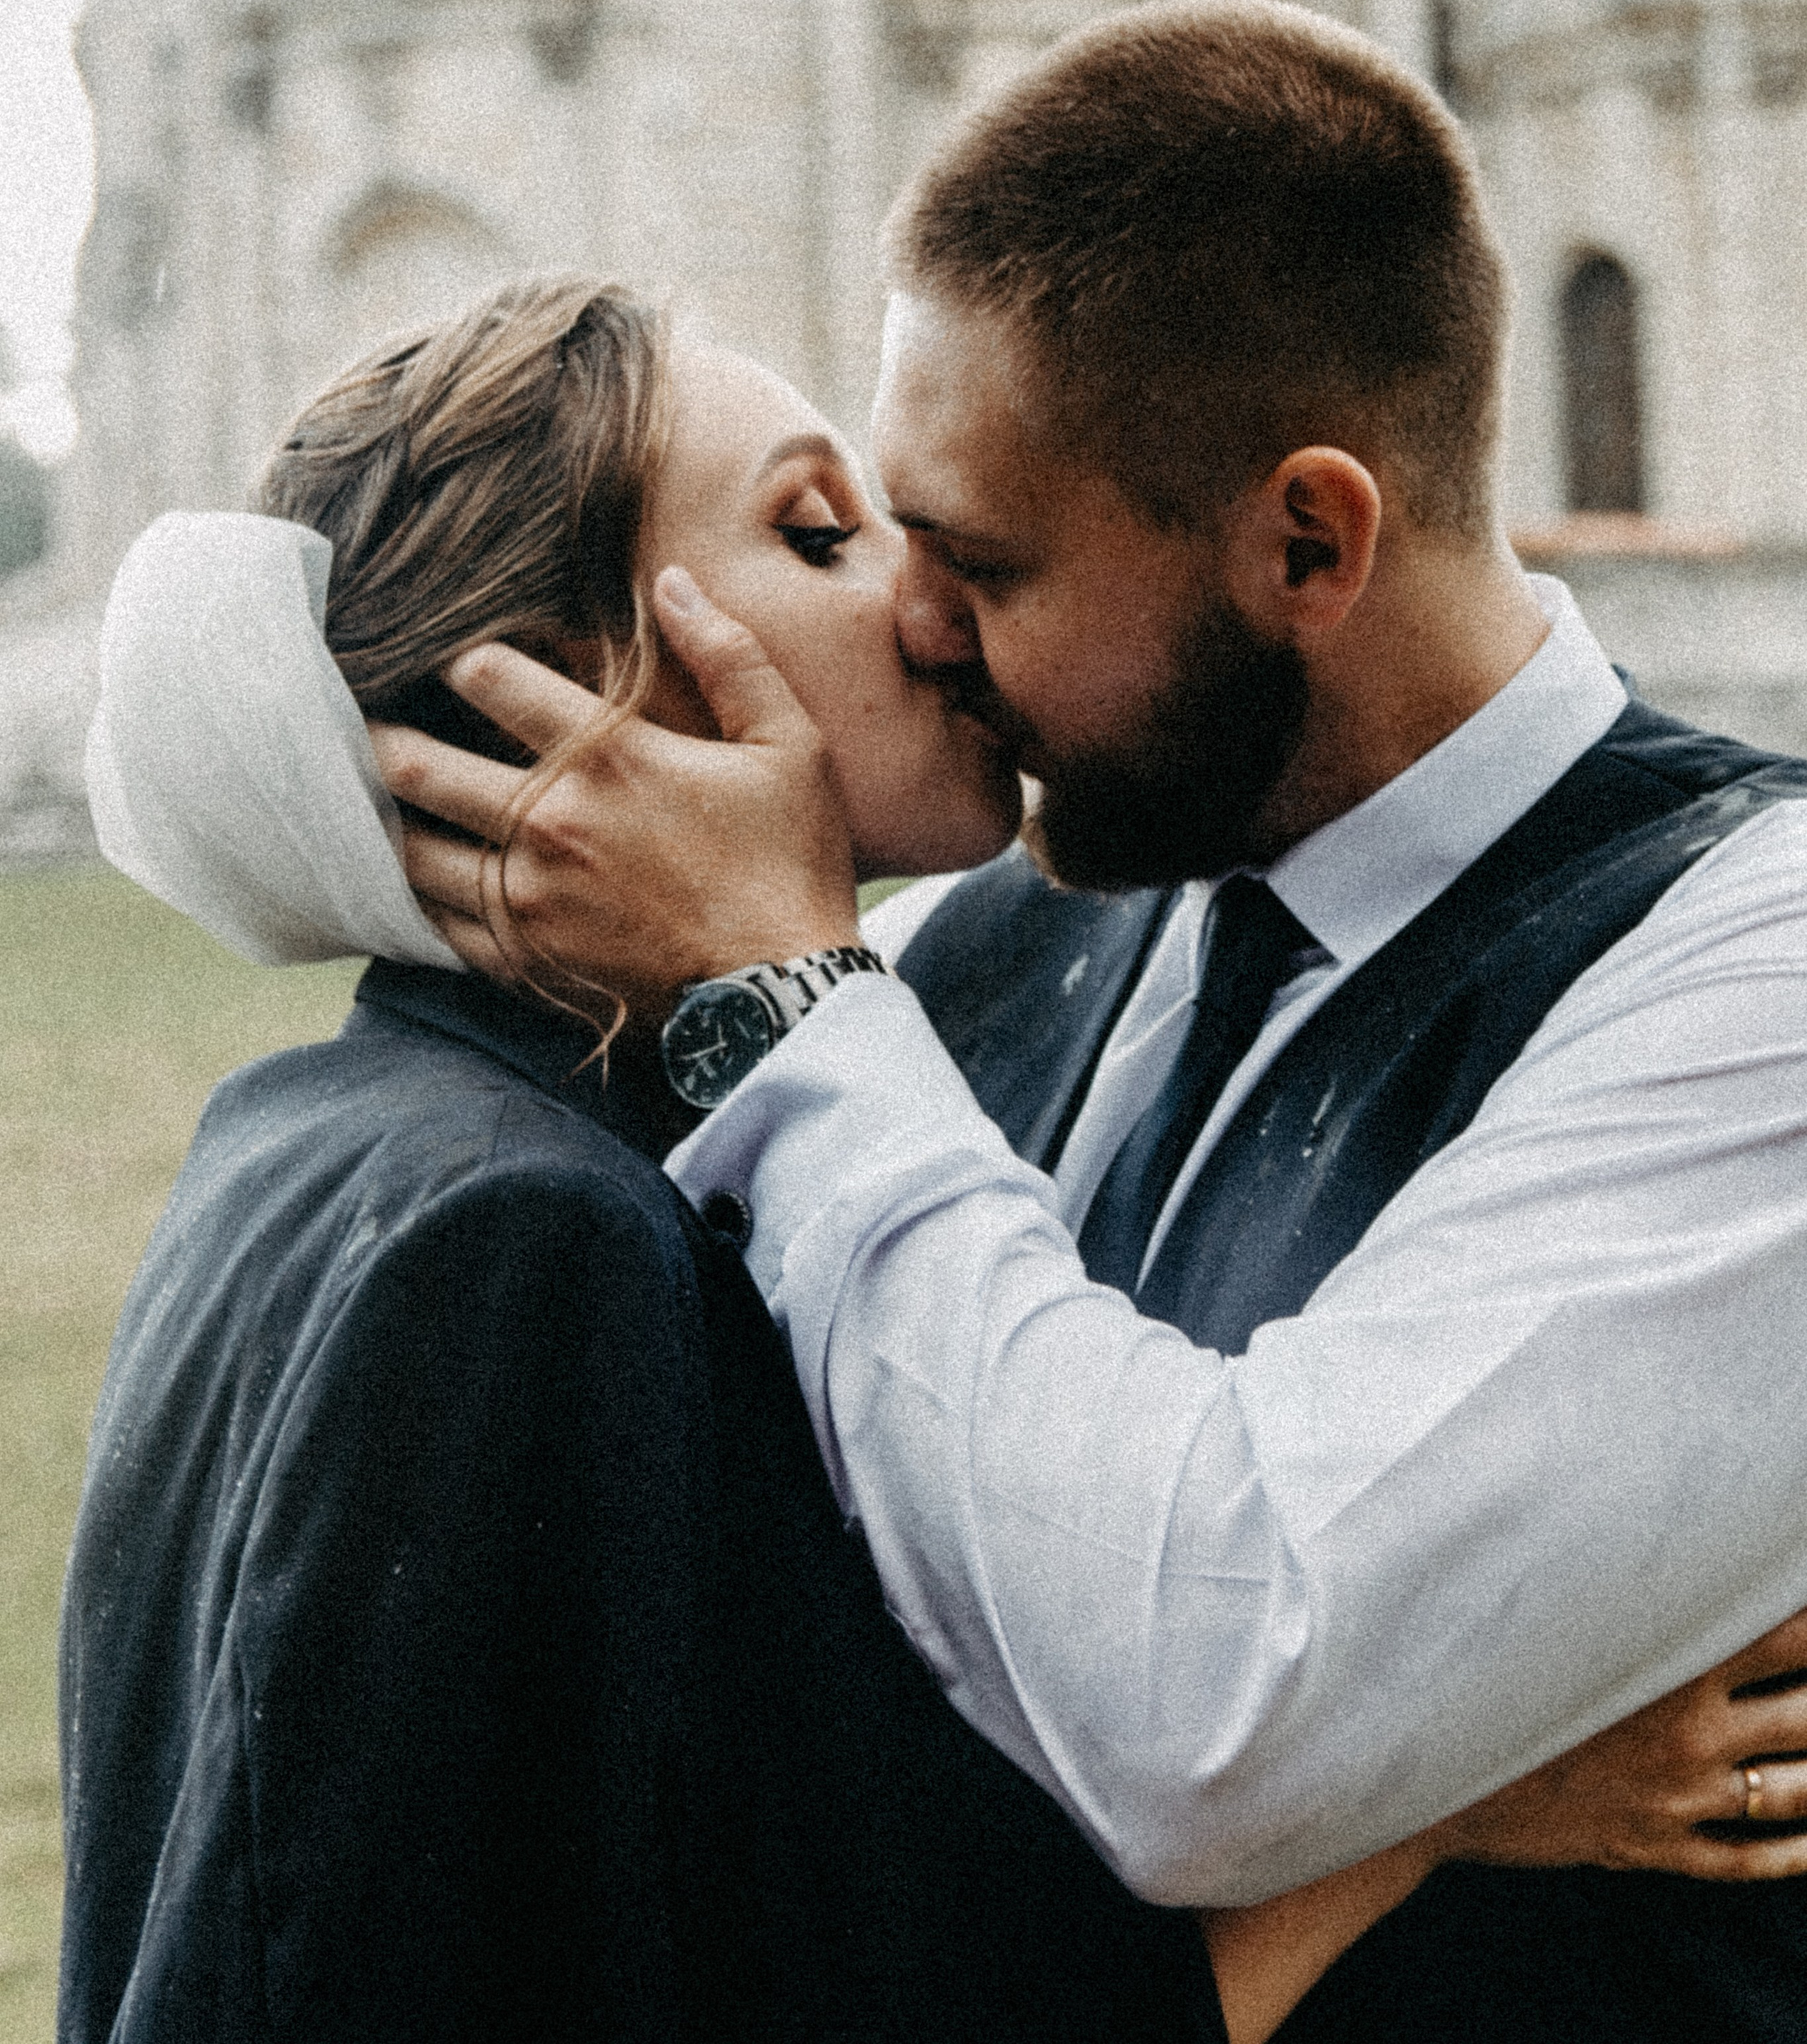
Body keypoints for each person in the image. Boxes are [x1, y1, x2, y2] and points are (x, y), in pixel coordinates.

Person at [64, 276, 1804, 2044]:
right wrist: (1446, 1800)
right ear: (577, 697)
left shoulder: (315, 1134)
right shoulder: (535, 1239)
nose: (931, 606)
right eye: (819, 534)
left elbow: (783, 1878)